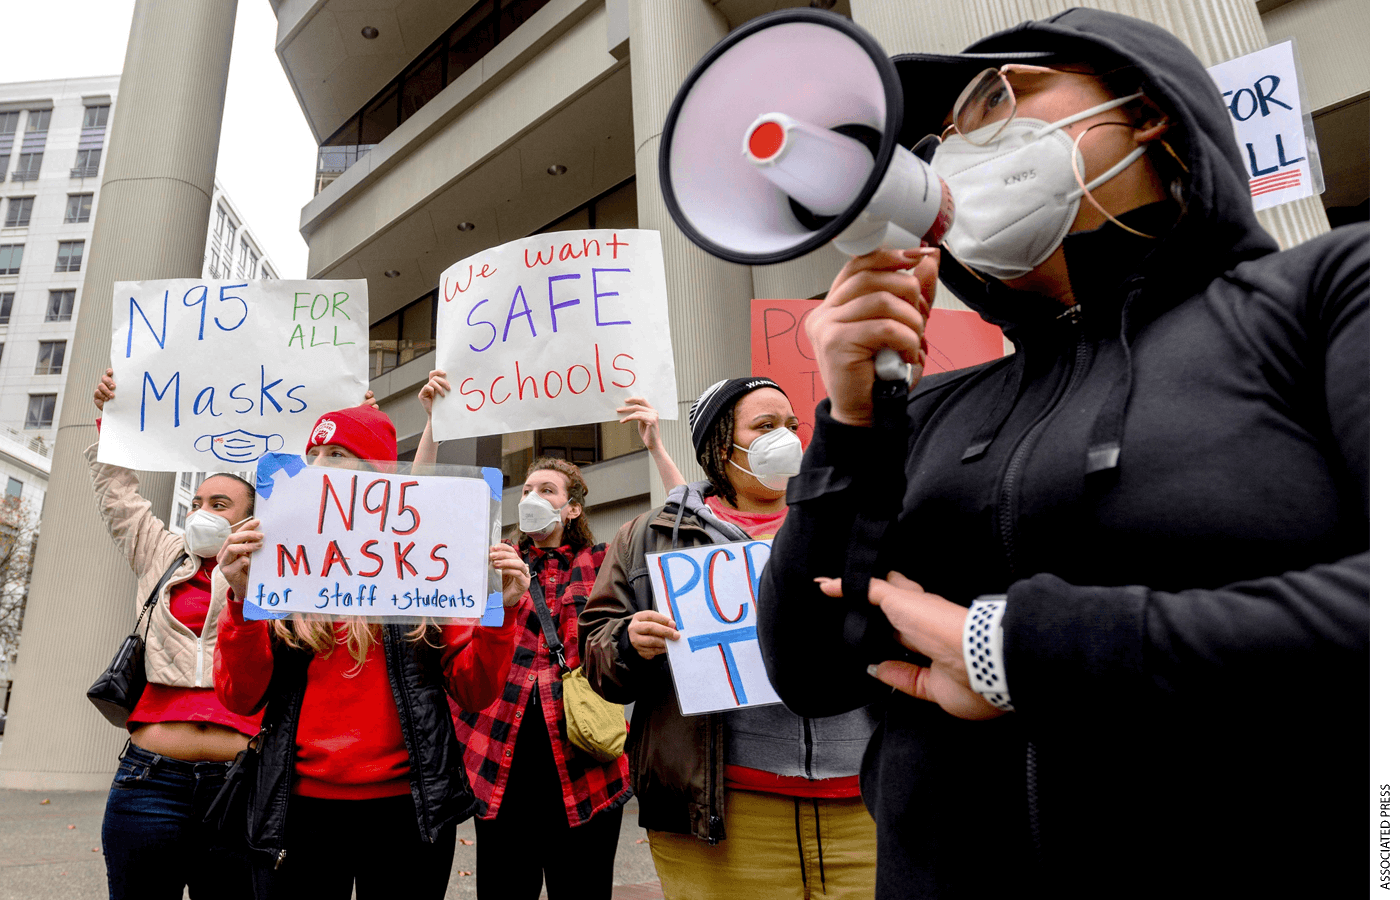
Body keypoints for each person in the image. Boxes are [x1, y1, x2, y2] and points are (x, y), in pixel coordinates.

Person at [757, 9, 1369, 899]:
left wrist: (1029, 651)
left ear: (1147, 107)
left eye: (996, 97)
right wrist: (849, 423)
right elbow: (810, 670)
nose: (958, 150)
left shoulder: (1320, 296)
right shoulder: (925, 411)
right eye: (939, 141)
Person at [581, 377, 881, 900]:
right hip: (723, 816)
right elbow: (598, 659)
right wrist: (629, 641)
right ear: (721, 447)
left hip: (866, 803)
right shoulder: (648, 536)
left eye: (791, 425)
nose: (785, 438)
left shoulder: (853, 521)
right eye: (764, 427)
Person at [213, 403, 528, 900]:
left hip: (407, 813)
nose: (317, 466)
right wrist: (241, 604)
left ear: (379, 479)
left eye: (336, 453)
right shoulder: (280, 567)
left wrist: (502, 616)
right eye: (311, 453)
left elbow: (474, 690)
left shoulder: (426, 570)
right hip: (299, 811)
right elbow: (239, 697)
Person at [418, 369, 630, 900]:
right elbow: (413, 511)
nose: (532, 495)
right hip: (499, 766)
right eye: (528, 487)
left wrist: (651, 440)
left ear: (572, 508)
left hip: (584, 774)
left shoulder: (602, 563)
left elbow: (676, 538)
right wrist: (432, 426)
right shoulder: (487, 562)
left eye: (547, 490)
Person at [88, 368, 263, 900]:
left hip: (239, 788)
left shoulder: (276, 571)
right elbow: (117, 494)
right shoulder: (162, 553)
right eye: (197, 503)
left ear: (250, 520)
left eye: (219, 505)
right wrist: (112, 419)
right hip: (149, 786)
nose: (201, 512)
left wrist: (353, 417)